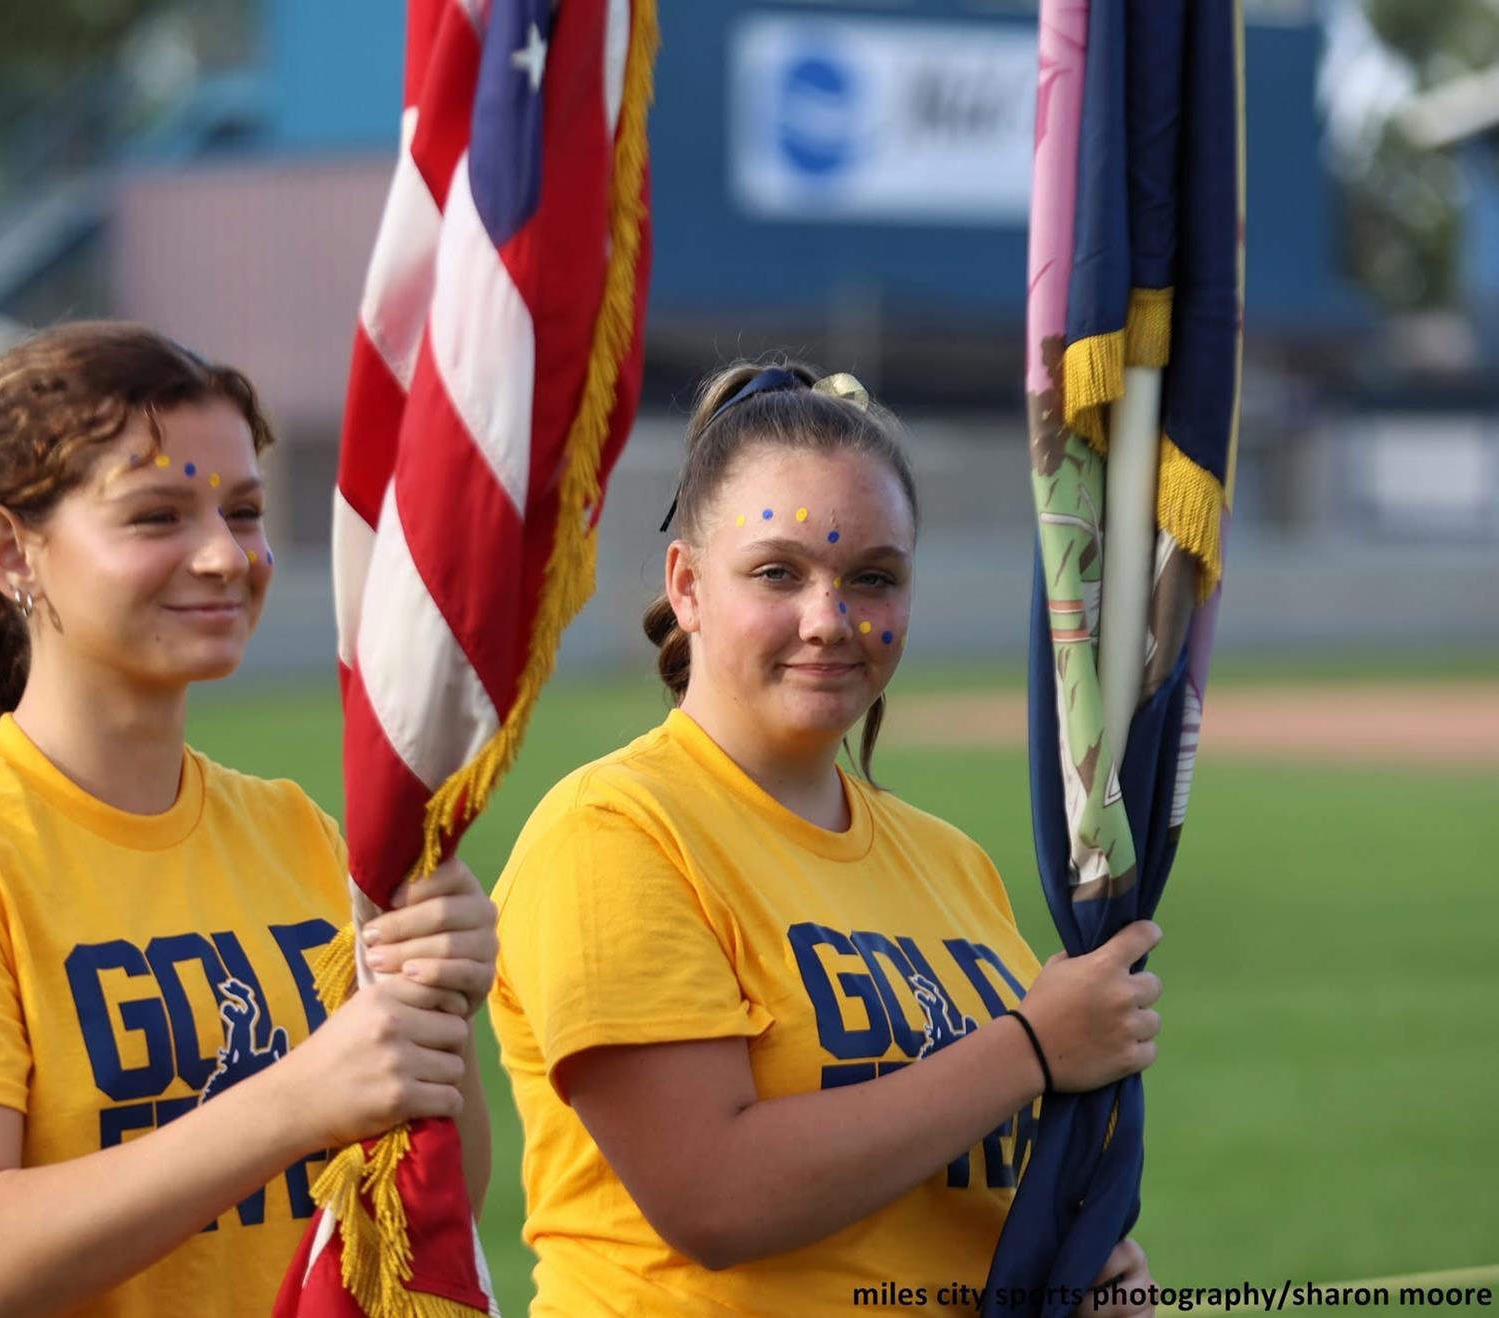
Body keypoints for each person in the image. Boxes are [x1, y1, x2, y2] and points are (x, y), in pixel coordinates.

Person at [0, 322, 497, 1317]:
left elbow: (441, 1198)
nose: (223, 555)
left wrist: (442, 1008)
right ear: (9, 551)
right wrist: (299, 1098)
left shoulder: (296, 832)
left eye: (243, 511)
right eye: (155, 514)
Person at [488, 361, 1164, 1316]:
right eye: (777, 573)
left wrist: (1082, 1269)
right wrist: (1030, 1048)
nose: (829, 621)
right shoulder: (613, 832)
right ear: (687, 585)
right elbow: (713, 1196)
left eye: (872, 578)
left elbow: (955, 1187)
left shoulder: (951, 863)